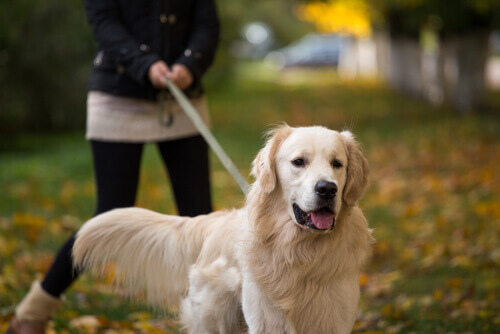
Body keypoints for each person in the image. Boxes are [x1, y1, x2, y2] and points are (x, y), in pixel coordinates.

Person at [6, 0, 219, 333]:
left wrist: (189, 65)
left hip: (182, 96)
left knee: (202, 218)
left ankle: (213, 317)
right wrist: (145, 63)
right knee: (108, 216)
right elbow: (103, 20)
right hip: (117, 97)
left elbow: (206, 24)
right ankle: (34, 311)